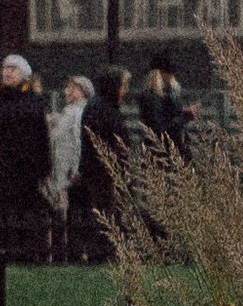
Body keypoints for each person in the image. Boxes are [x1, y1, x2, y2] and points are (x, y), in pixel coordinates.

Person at [0, 53, 53, 256]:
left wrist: (42, 168)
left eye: (12, 69)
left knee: (23, 214)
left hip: (24, 172)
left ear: (23, 75)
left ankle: (24, 252)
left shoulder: (33, 101)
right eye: (5, 68)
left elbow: (41, 137)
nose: (7, 73)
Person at [69, 63, 137, 260]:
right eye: (123, 85)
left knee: (108, 213)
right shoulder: (101, 109)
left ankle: (106, 251)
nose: (126, 90)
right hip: (102, 173)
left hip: (102, 171)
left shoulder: (102, 107)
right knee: (105, 214)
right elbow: (100, 144)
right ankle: (104, 252)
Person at [137, 48, 195, 163]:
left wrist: (183, 113)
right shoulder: (154, 97)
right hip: (163, 152)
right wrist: (184, 117)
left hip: (169, 150)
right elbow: (158, 129)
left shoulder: (161, 93)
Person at [48, 74, 92, 219]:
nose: (67, 91)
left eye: (72, 88)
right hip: (65, 173)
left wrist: (75, 169)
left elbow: (79, 141)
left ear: (82, 92)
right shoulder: (71, 111)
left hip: (70, 175)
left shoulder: (77, 112)